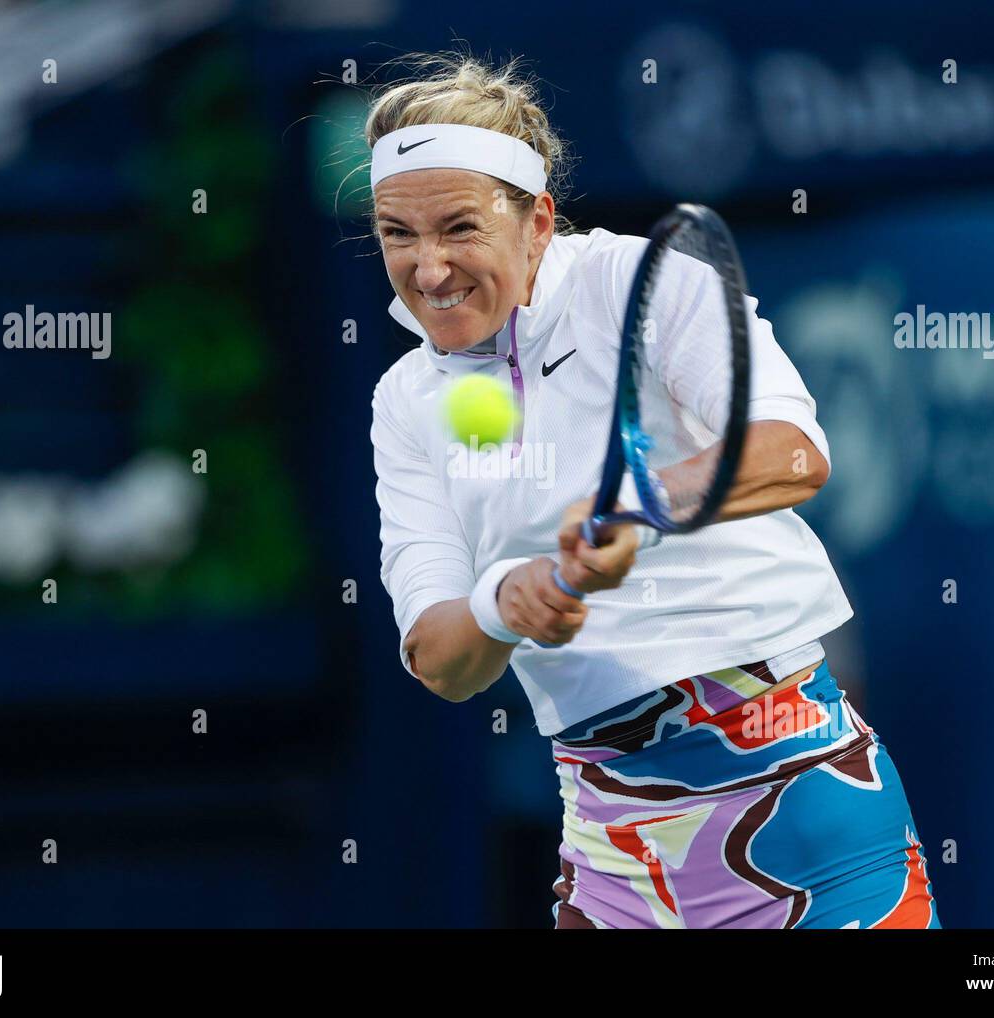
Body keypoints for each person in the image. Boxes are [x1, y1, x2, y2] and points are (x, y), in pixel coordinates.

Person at [366, 52, 939, 929]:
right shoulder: (405, 401)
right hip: (614, 864)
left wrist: (636, 502)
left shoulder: (637, 282)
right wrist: (503, 604)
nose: (429, 267)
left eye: (459, 228)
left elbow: (793, 454)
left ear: (538, 223)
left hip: (812, 827)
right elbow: (440, 657)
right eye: (397, 234)